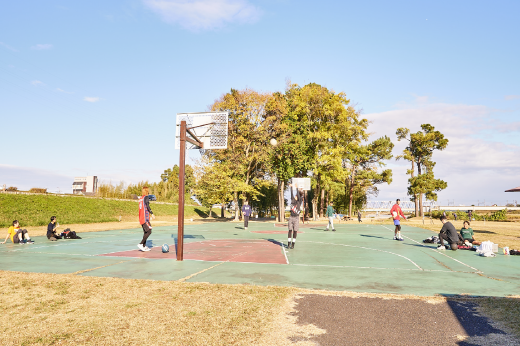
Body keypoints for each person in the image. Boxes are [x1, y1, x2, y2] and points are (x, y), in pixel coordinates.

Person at [138, 186, 155, 251]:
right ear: (147, 191)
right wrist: (152, 213)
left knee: (145, 232)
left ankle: (144, 246)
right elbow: (147, 206)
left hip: (141, 217)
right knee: (149, 231)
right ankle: (141, 243)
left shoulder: (140, 198)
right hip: (145, 218)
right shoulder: (146, 197)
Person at [287, 183, 303, 249]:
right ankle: (288, 243)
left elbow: (299, 196)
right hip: (291, 217)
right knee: (290, 230)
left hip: (296, 218)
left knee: (295, 231)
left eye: (297, 195)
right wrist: (291, 187)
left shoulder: (299, 201)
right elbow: (291, 194)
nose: (296, 196)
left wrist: (296, 188)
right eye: (296, 195)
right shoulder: (293, 200)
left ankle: (293, 244)